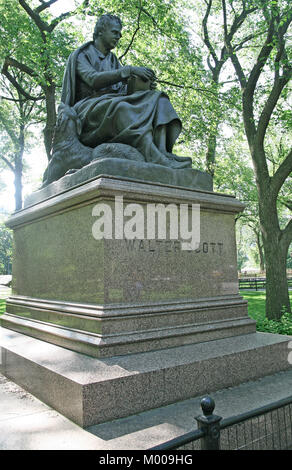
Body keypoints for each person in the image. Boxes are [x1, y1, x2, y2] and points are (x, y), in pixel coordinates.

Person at [57, 14, 192, 174]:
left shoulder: (113, 60)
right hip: (86, 110)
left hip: (108, 103)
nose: (119, 36)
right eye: (115, 32)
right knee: (122, 107)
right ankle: (151, 153)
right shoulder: (82, 55)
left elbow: (122, 91)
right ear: (100, 31)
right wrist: (127, 71)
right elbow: (92, 79)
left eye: (120, 33)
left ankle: (162, 152)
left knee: (158, 98)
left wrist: (144, 87)